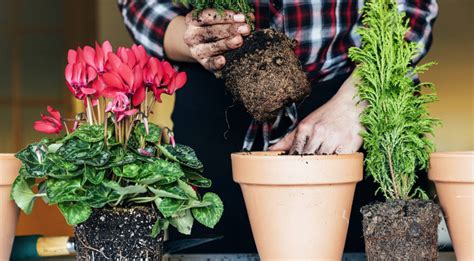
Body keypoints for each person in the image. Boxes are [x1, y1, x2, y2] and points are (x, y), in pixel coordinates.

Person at [118, 0, 438, 253]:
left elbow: (411, 7)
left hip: (352, 105)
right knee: (212, 245)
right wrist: (191, 36)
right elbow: (143, 5)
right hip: (216, 109)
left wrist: (360, 98)